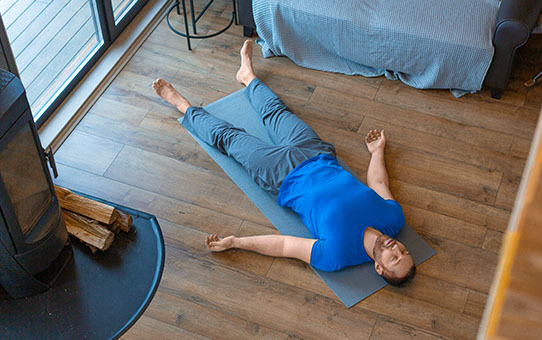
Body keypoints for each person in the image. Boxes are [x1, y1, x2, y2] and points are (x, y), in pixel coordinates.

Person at [152, 40, 416, 286]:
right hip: (317, 154)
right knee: (276, 111)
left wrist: (236, 242)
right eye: (403, 250)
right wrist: (377, 151)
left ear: (379, 268)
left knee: (229, 139)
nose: (395, 248)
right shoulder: (394, 219)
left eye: (393, 258)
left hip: (281, 176)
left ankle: (183, 106)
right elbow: (378, 182)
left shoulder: (336, 256)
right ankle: (247, 77)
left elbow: (286, 246)